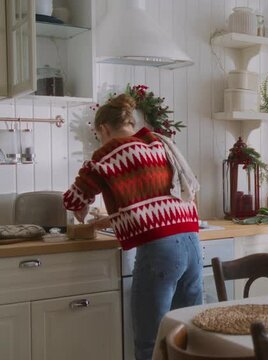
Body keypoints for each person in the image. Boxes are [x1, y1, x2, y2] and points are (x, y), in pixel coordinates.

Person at [63, 94, 202, 360]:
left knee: (150, 341)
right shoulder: (158, 142)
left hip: (162, 250)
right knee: (190, 336)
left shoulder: (109, 153)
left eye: (98, 134)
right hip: (192, 241)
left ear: (103, 129)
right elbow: (151, 201)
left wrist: (80, 208)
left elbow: (73, 199)